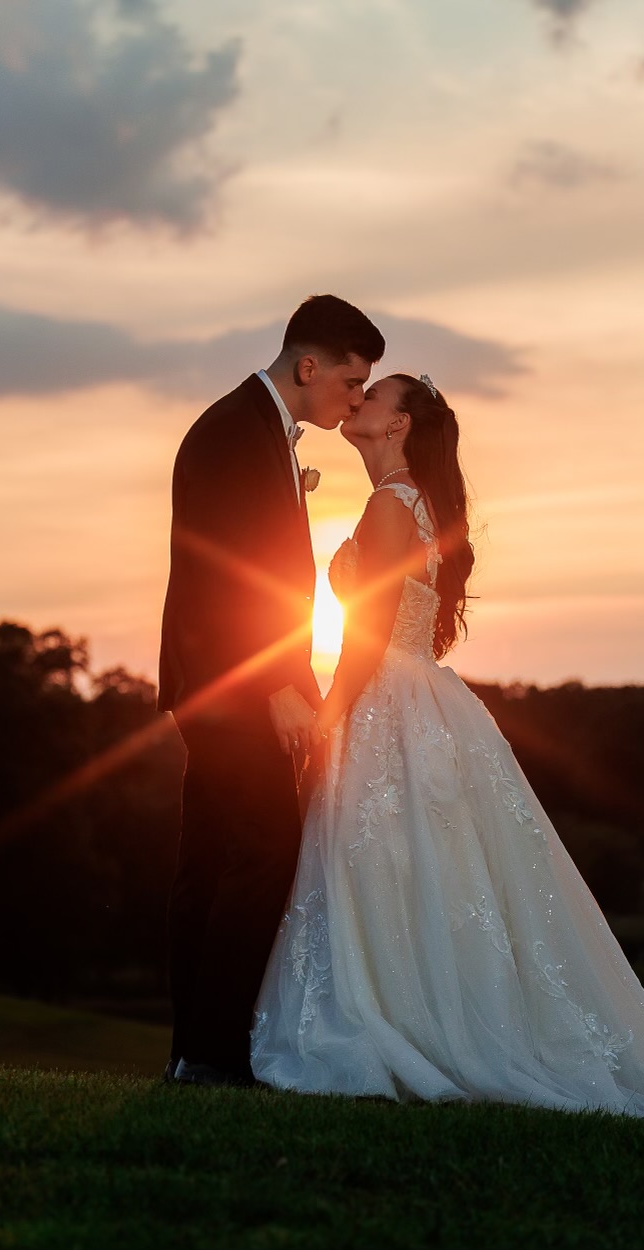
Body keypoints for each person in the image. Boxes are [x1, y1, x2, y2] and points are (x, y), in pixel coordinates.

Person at [250, 372, 644, 1118]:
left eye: (375, 396)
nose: (358, 400)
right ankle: (422, 1013)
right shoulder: (412, 505)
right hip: (420, 696)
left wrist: (333, 709)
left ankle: (393, 1019)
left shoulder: (389, 503)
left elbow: (367, 625)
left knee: (383, 861)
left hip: (382, 695)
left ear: (397, 427)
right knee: (418, 867)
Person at [158, 294, 385, 1086]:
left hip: (222, 685)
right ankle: (215, 1054)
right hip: (232, 687)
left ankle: (194, 1052)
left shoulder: (256, 431)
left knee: (213, 861)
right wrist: (277, 687)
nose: (355, 400)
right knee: (261, 853)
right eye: (351, 383)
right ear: (309, 365)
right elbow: (225, 582)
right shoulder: (231, 433)